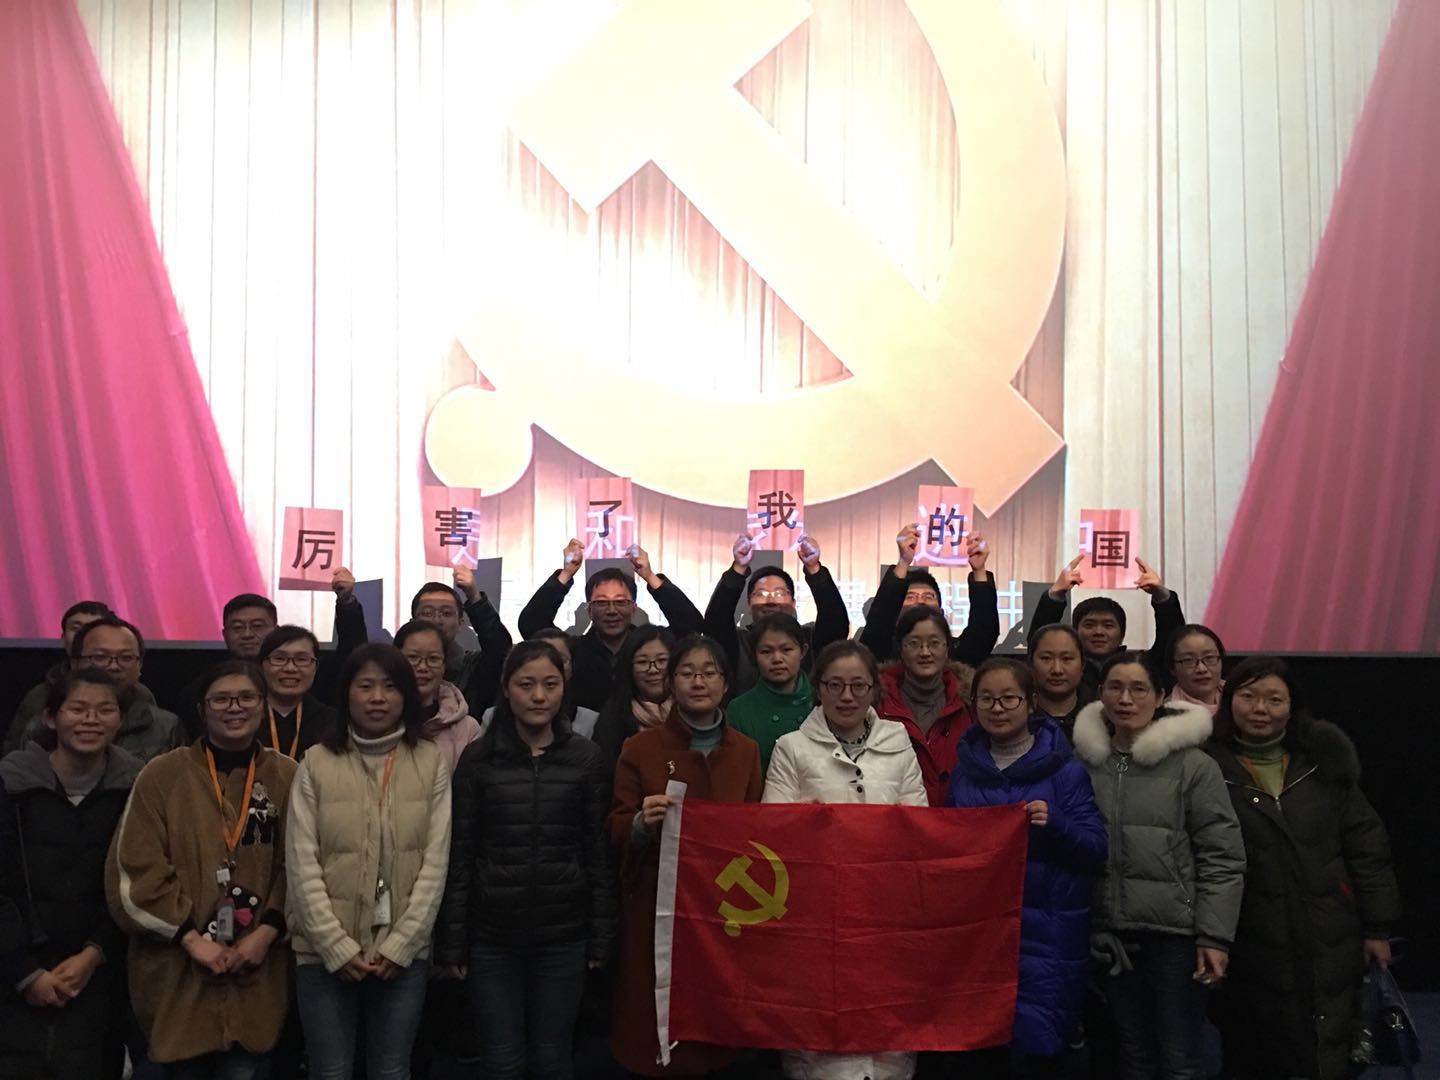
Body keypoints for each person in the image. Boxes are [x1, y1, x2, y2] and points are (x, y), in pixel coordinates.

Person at [1204, 657, 1400, 1080]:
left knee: (1330, 1043)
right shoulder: (1206, 766)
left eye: (1274, 699)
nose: (1260, 708)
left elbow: (1367, 847)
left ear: (1292, 706)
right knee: (1255, 1046)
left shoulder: (1324, 762)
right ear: (1228, 700)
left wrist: (1377, 928)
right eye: (1248, 696)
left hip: (1331, 931)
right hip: (1249, 936)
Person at [106, 661, 295, 1078]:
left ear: (263, 706)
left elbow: (298, 867)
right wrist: (191, 939)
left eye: (246, 698)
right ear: (201, 710)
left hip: (257, 970)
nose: (235, 707)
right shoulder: (162, 775)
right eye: (221, 699)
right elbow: (135, 869)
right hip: (178, 974)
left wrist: (266, 932)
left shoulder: (287, 775)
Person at [438, 641, 616, 1078]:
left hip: (564, 936)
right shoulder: (479, 760)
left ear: (564, 688)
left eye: (550, 685)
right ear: (506, 688)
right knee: (501, 1060)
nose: (539, 696)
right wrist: (453, 939)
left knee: (553, 1058)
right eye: (526, 685)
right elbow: (461, 852)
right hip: (492, 939)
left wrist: (601, 935)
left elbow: (597, 853)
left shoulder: (586, 759)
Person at [1070, 652, 1245, 1080]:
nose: (1125, 699)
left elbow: (1221, 855)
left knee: (1179, 1058)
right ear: (1100, 694)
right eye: (1115, 687)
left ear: (1162, 695)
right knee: (1132, 1055)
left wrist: (1215, 936)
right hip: (1110, 933)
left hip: (1175, 938)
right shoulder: (1082, 764)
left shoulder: (1193, 765)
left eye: (1139, 689)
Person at [284, 644, 452, 1080]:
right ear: (347, 694)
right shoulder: (315, 762)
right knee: (330, 1071)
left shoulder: (430, 761)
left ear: (406, 696)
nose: (378, 697)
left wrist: (403, 944)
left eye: (390, 686)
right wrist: (334, 947)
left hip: (403, 952)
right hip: (322, 954)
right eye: (366, 686)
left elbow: (436, 863)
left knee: (392, 1070)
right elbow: (301, 865)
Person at [761, 639, 925, 1079]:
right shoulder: (791, 747)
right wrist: (804, 823)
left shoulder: (899, 743)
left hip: (884, 909)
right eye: (835, 685)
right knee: (818, 1030)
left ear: (875, 689)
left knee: (885, 1019)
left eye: (858, 686)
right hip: (814, 912)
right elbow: (772, 832)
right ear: (818, 689)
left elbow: (920, 825)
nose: (847, 696)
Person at [945, 659, 1107, 1077]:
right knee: (984, 1053)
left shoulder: (1066, 772)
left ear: (1031, 702)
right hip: (982, 936)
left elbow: (1095, 849)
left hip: (1049, 934)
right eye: (987, 699)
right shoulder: (964, 774)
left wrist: (1057, 823)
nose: (997, 708)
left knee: (1040, 1052)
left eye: (1009, 698)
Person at [608, 635, 762, 1076]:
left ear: (725, 684)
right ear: (671, 682)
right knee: (655, 1021)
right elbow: (615, 827)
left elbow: (757, 831)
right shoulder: (640, 748)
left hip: (723, 909)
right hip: (657, 907)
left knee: (716, 1028)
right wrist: (641, 822)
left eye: (709, 673)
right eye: (687, 673)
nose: (699, 682)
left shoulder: (746, 751)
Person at [0, 669, 141, 1079]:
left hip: (100, 973)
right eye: (77, 709)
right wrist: (25, 973)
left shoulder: (137, 789)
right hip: (13, 970)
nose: (90, 720)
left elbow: (135, 884)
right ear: (50, 717)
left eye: (104, 710)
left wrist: (93, 955)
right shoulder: (10, 785)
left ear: (120, 719)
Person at [520, 543, 703, 712]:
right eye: (601, 603)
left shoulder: (648, 649)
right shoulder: (574, 650)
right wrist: (566, 574)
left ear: (633, 608)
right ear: (589, 610)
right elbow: (532, 624)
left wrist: (650, 576)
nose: (612, 611)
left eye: (620, 602)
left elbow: (690, 624)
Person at [176, 575, 366, 738]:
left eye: (257, 626)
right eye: (238, 628)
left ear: (275, 630)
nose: (247, 634)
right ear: (225, 635)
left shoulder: (301, 677)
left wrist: (346, 604)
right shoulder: (206, 689)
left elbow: (352, 656)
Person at [14, 617, 183, 762]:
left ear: (140, 666)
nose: (114, 666)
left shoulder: (166, 727)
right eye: (100, 657)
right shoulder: (42, 726)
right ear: (75, 663)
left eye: (126, 657)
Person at [702, 533, 849, 694]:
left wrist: (814, 569)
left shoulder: (809, 637)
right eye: (761, 594)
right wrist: (738, 569)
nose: (771, 600)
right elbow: (716, 621)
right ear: (749, 604)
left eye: (779, 593)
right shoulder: (740, 643)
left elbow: (835, 622)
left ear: (793, 602)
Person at [1030, 553, 1185, 699]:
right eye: (1089, 625)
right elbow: (1040, 642)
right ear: (1075, 632)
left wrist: (1162, 597)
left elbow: (1172, 644)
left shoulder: (1142, 667)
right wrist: (1056, 594)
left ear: (1122, 634)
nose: (1099, 632)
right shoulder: (1062, 670)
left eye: (1108, 625)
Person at [874, 606, 974, 806]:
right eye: (914, 644)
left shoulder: (971, 700)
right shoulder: (876, 700)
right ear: (901, 649)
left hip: (957, 816)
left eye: (934, 643)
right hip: (898, 815)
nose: (925, 652)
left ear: (947, 647)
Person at [857, 523, 999, 664]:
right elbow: (879, 623)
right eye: (911, 597)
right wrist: (903, 561)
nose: (920, 601)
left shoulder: (954, 655)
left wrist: (979, 570)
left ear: (941, 611)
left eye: (928, 596)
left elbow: (984, 631)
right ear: (897, 610)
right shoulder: (884, 654)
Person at [5, 599, 116, 755]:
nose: (83, 635)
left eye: (93, 628)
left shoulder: (135, 695)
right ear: (63, 639)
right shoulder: (39, 697)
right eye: (76, 628)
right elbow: (14, 752)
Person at [406, 564, 513, 715]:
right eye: (428, 613)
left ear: (460, 623)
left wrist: (474, 596)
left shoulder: (472, 667)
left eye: (446, 613)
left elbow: (499, 648)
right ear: (412, 622)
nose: (437, 620)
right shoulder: (398, 666)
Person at [726, 613, 813, 776]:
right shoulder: (739, 710)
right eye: (766, 652)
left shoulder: (822, 701)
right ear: (754, 655)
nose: (777, 659)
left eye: (787, 650)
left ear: (803, 651)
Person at [394, 619, 482, 773]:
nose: (423, 667)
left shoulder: (468, 729)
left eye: (433, 659)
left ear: (444, 666)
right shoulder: (377, 718)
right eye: (413, 657)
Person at [591, 626, 676, 767]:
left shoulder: (690, 710)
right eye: (642, 662)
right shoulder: (614, 716)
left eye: (662, 661)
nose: (653, 670)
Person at [257, 625, 337, 759]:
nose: (290, 668)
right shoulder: (244, 717)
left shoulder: (333, 723)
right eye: (279, 659)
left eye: (301, 659)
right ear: (261, 665)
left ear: (315, 667)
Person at [1027, 624, 1089, 738]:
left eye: (1067, 658)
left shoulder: (1102, 719)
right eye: (1046, 658)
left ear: (1082, 665)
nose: (1057, 670)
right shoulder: (1016, 720)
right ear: (1031, 664)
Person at [1165, 624, 1226, 715]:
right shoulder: (1166, 715)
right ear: (1172, 669)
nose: (1201, 669)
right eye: (1189, 660)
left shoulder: (1239, 697)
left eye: (1209, 657)